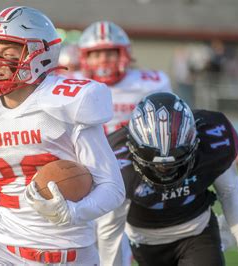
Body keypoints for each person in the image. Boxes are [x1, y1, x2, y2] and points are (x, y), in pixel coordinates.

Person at [0, 6, 125, 266]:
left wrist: (73, 212)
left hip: (71, 255)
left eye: (8, 53)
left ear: (41, 55)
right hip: (6, 253)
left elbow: (113, 188)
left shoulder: (67, 105)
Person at [106, 92, 238, 265]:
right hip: (146, 241)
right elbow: (110, 227)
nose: (164, 170)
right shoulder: (116, 163)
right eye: (157, 165)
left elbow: (229, 192)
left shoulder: (213, 142)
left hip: (197, 230)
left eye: (174, 162)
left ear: (194, 142)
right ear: (133, 150)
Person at [78, 20, 172, 266]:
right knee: (83, 239)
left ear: (124, 54)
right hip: (83, 170)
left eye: (109, 52)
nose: (103, 60)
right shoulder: (72, 84)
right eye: (96, 53)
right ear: (84, 57)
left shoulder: (149, 83)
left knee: (120, 241)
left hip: (131, 173)